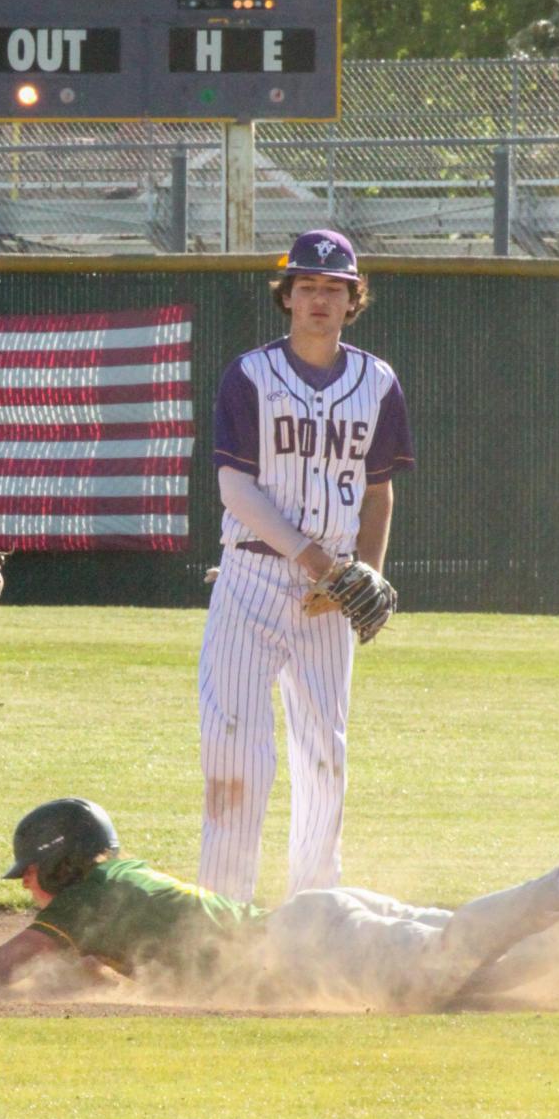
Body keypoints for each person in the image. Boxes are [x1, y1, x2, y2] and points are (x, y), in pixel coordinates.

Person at [0, 798, 559, 1014]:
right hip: (317, 925)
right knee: (485, 980)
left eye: (33, 874)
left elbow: (1, 964)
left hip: (311, 947)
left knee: (447, 964)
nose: (30, 890)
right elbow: (86, 972)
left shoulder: (92, 898)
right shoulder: (120, 882)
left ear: (63, 863)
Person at [198, 230, 414, 903]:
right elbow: (235, 490)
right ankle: (222, 916)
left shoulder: (376, 382)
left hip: (330, 596)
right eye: (308, 286)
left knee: (325, 756)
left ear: (353, 300)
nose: (319, 298)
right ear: (285, 295)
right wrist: (326, 564)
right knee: (236, 751)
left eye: (334, 287)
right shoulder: (250, 375)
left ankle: (314, 913)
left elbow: (378, 491)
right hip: (251, 578)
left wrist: (365, 576)